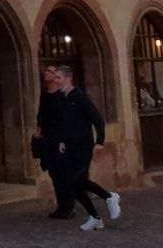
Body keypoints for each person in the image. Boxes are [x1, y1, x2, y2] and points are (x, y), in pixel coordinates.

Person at [54, 65, 118, 231]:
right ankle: (95, 217)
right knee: (74, 184)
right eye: (55, 78)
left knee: (78, 179)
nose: (56, 80)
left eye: (58, 77)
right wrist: (62, 140)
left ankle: (109, 197)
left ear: (68, 78)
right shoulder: (63, 98)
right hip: (69, 147)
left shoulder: (80, 96)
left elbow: (97, 119)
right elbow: (63, 122)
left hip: (84, 147)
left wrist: (99, 141)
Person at [33, 65, 71, 219]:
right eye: (45, 70)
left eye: (49, 71)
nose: (45, 73)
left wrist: (64, 139)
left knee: (62, 173)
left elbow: (66, 119)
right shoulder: (45, 94)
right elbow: (41, 114)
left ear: (56, 76)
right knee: (54, 174)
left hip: (59, 140)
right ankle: (62, 205)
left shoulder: (62, 95)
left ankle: (68, 206)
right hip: (47, 138)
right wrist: (39, 130)